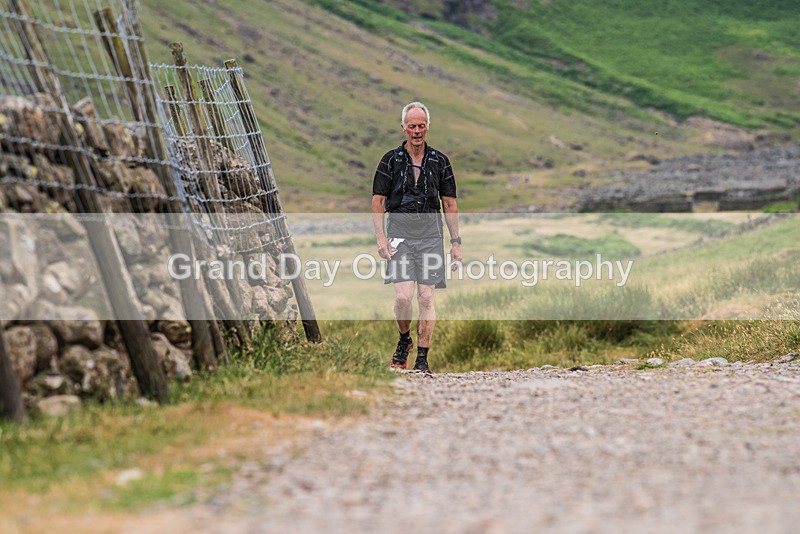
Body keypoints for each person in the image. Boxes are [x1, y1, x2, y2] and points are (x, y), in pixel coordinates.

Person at [371, 102, 462, 375]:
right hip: (399, 237)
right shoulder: (390, 160)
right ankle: (404, 340)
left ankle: (422, 359)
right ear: (404, 128)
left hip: (431, 237)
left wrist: (456, 243)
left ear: (428, 127)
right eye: (412, 126)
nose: (417, 131)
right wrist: (381, 238)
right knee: (403, 298)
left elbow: (450, 204)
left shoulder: (440, 161)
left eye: (421, 126)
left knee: (425, 297)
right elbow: (378, 201)